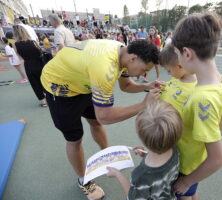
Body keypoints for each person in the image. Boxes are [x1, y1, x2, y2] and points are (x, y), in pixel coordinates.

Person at [40, 39, 163, 200]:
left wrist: (147, 86)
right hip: (60, 88)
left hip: (84, 82)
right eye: (144, 70)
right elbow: (105, 116)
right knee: (75, 138)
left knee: (95, 122)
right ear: (133, 59)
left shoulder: (123, 54)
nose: (143, 75)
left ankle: (107, 157)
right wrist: (143, 105)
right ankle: (84, 180)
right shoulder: (105, 68)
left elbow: (126, 85)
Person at [172, 12, 222, 199]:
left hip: (187, 167)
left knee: (185, 195)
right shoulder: (220, 81)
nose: (178, 60)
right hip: (195, 159)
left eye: (178, 54)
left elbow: (217, 160)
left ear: (187, 53)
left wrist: (186, 181)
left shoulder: (202, 99)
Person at [107, 101, 182, 199]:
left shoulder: (142, 175)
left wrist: (117, 174)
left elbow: (132, 197)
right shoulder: (174, 150)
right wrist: (145, 154)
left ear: (140, 136)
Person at [13, 25, 47, 107]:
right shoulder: (33, 42)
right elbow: (41, 52)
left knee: (35, 84)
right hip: (39, 64)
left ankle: (43, 102)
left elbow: (20, 57)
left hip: (29, 65)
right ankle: (50, 98)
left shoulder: (15, 44)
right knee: (44, 81)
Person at [159, 45, 197, 115]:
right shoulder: (176, 77)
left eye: (169, 71)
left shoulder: (195, 90)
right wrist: (163, 87)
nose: (168, 73)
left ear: (180, 66)